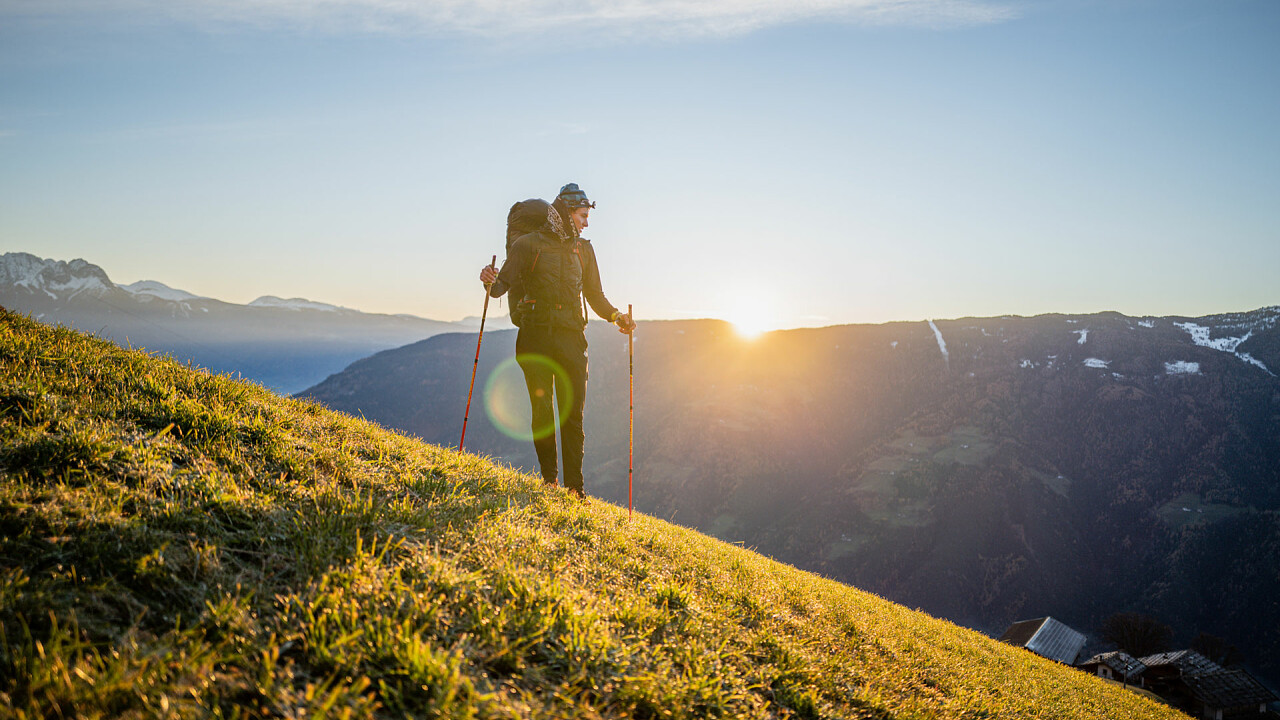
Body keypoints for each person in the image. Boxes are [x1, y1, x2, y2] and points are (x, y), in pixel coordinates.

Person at [480, 183, 635, 499]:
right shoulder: (527, 245)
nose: (586, 222)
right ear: (566, 212)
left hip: (571, 340)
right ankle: (549, 481)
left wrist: (617, 316)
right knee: (542, 412)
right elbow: (499, 289)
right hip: (535, 338)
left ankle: (575, 491)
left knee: (572, 416)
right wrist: (489, 279)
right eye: (582, 215)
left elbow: (594, 295)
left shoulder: (585, 250)